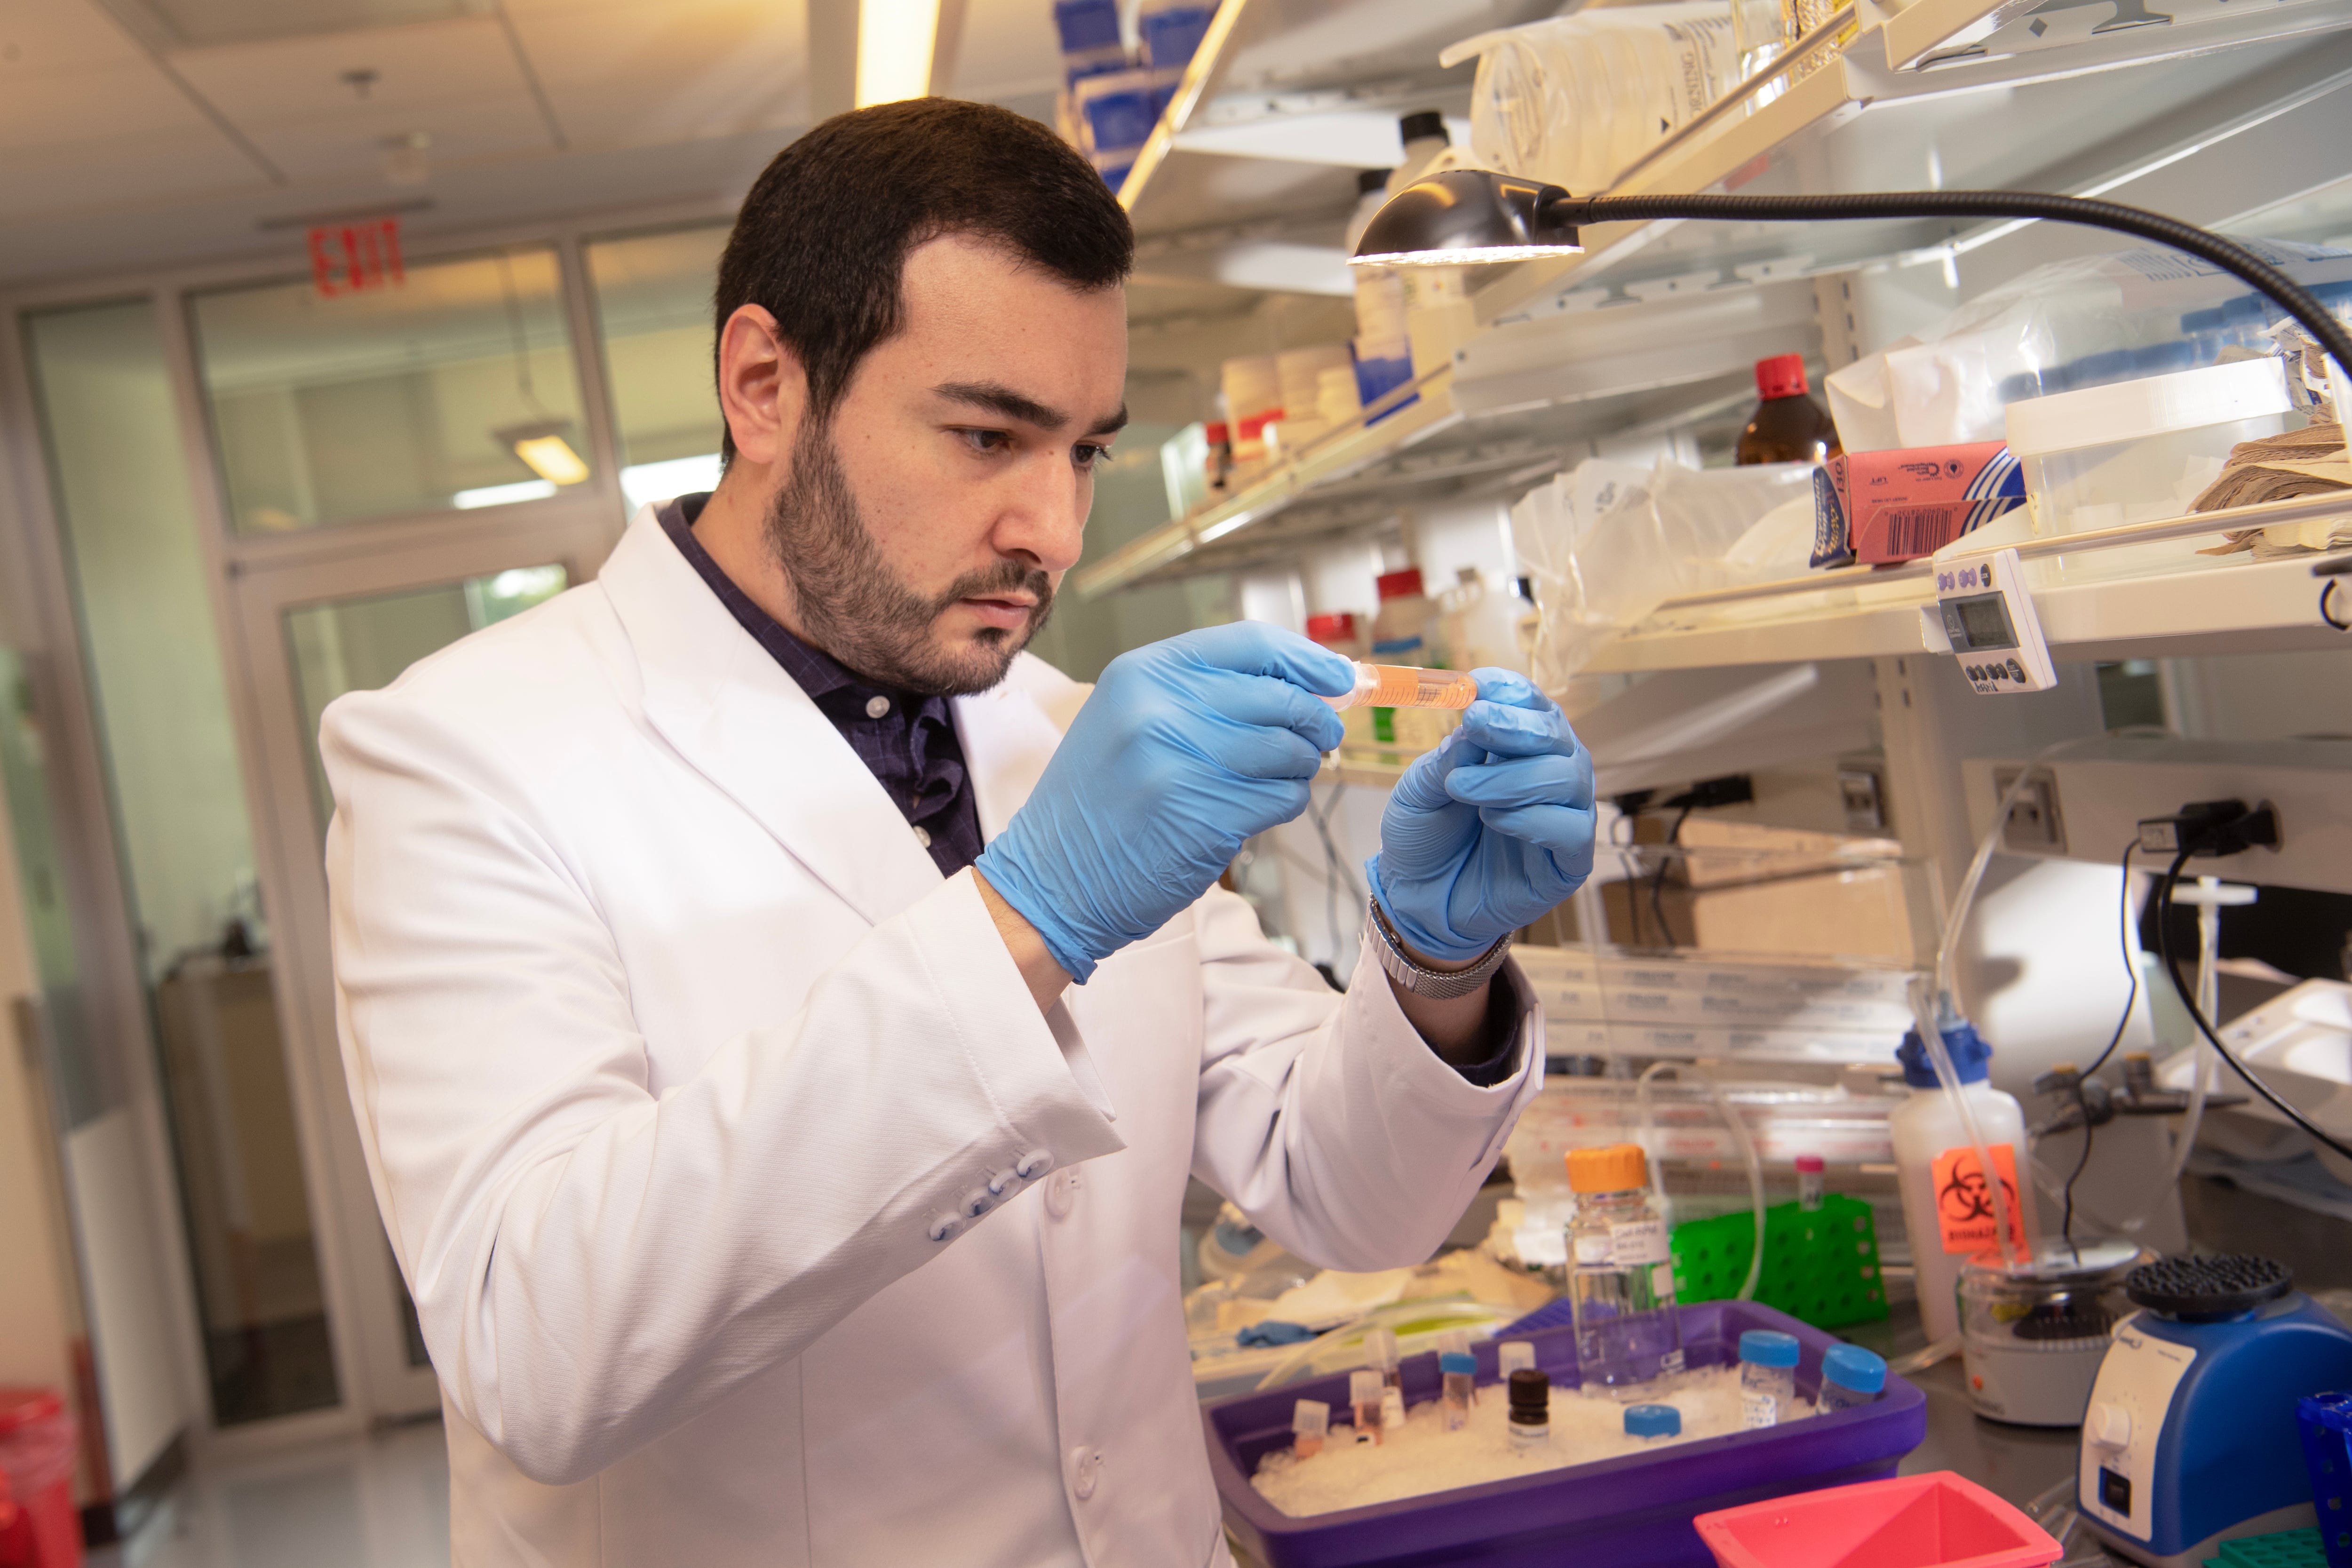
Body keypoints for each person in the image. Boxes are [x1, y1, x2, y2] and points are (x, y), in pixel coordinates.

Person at [322, 98, 1595, 1567]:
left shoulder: (1056, 731)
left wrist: (1439, 972)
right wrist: (1026, 925)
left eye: (1086, 453)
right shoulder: (465, 754)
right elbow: (538, 1350)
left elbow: (1344, 1193)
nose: (1053, 528)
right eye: (988, 433)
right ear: (764, 386)